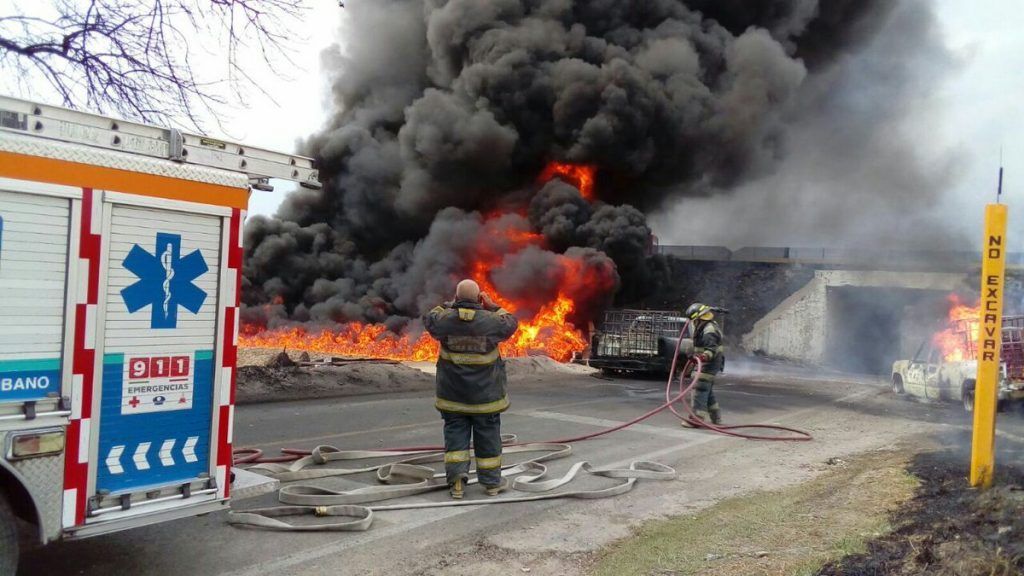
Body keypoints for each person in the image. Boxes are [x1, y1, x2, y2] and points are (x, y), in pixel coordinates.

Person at [423, 279, 519, 499]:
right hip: (486, 398)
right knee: (489, 439)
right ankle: (491, 485)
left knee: (455, 439)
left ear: (457, 297)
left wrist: (448, 305)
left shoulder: (444, 322)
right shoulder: (492, 322)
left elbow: (429, 318)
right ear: (479, 299)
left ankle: (457, 483)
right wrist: (493, 306)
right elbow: (511, 322)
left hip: (453, 397)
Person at [684, 303, 725, 424]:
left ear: (698, 319)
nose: (693, 323)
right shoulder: (706, 326)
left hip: (710, 364)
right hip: (710, 363)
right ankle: (716, 417)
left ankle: (696, 419)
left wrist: (702, 357)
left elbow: (711, 349)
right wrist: (695, 356)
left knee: (700, 388)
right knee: (707, 390)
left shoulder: (708, 331)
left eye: (694, 321)